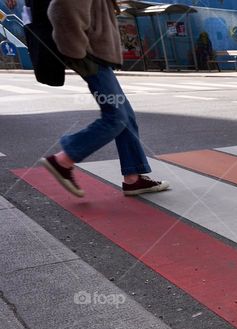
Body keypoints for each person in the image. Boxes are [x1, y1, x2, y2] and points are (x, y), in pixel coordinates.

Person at [39, 0, 168, 198]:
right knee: (116, 117)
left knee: (126, 116)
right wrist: (79, 53)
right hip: (92, 57)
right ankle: (63, 160)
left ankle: (133, 178)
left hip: (97, 57)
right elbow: (60, 9)